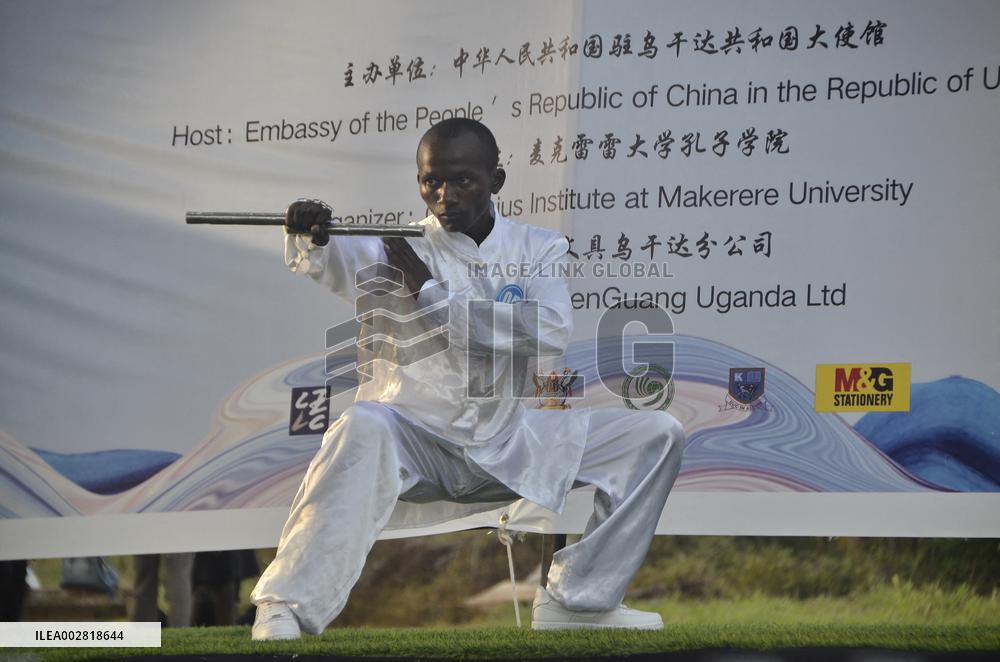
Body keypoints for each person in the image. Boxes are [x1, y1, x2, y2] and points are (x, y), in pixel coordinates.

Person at [250, 118, 684, 640]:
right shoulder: (394, 247)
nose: (444, 195)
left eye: (462, 181)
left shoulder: (536, 248)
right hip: (417, 443)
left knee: (657, 435)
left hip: (510, 442)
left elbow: (547, 330)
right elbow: (333, 256)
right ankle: (284, 606)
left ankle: (579, 602)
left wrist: (432, 295)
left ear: (495, 181)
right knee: (361, 423)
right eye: (431, 181)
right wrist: (310, 232)